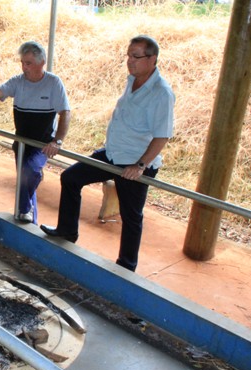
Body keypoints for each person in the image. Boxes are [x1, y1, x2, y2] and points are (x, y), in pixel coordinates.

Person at [40, 35, 175, 272]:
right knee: (71, 177)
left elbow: (162, 135)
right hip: (113, 154)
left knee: (131, 215)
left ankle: (126, 266)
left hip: (135, 161)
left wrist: (141, 165)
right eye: (128, 55)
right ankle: (67, 231)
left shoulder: (161, 93)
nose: (130, 61)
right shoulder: (132, 80)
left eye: (136, 56)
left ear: (152, 59)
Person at [0, 40, 71, 224]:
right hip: (21, 142)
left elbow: (65, 113)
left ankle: (24, 210)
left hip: (42, 144)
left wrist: (57, 141)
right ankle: (28, 219)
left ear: (41, 63)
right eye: (23, 63)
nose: (24, 67)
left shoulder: (53, 83)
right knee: (24, 182)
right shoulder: (18, 81)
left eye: (29, 63)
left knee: (30, 173)